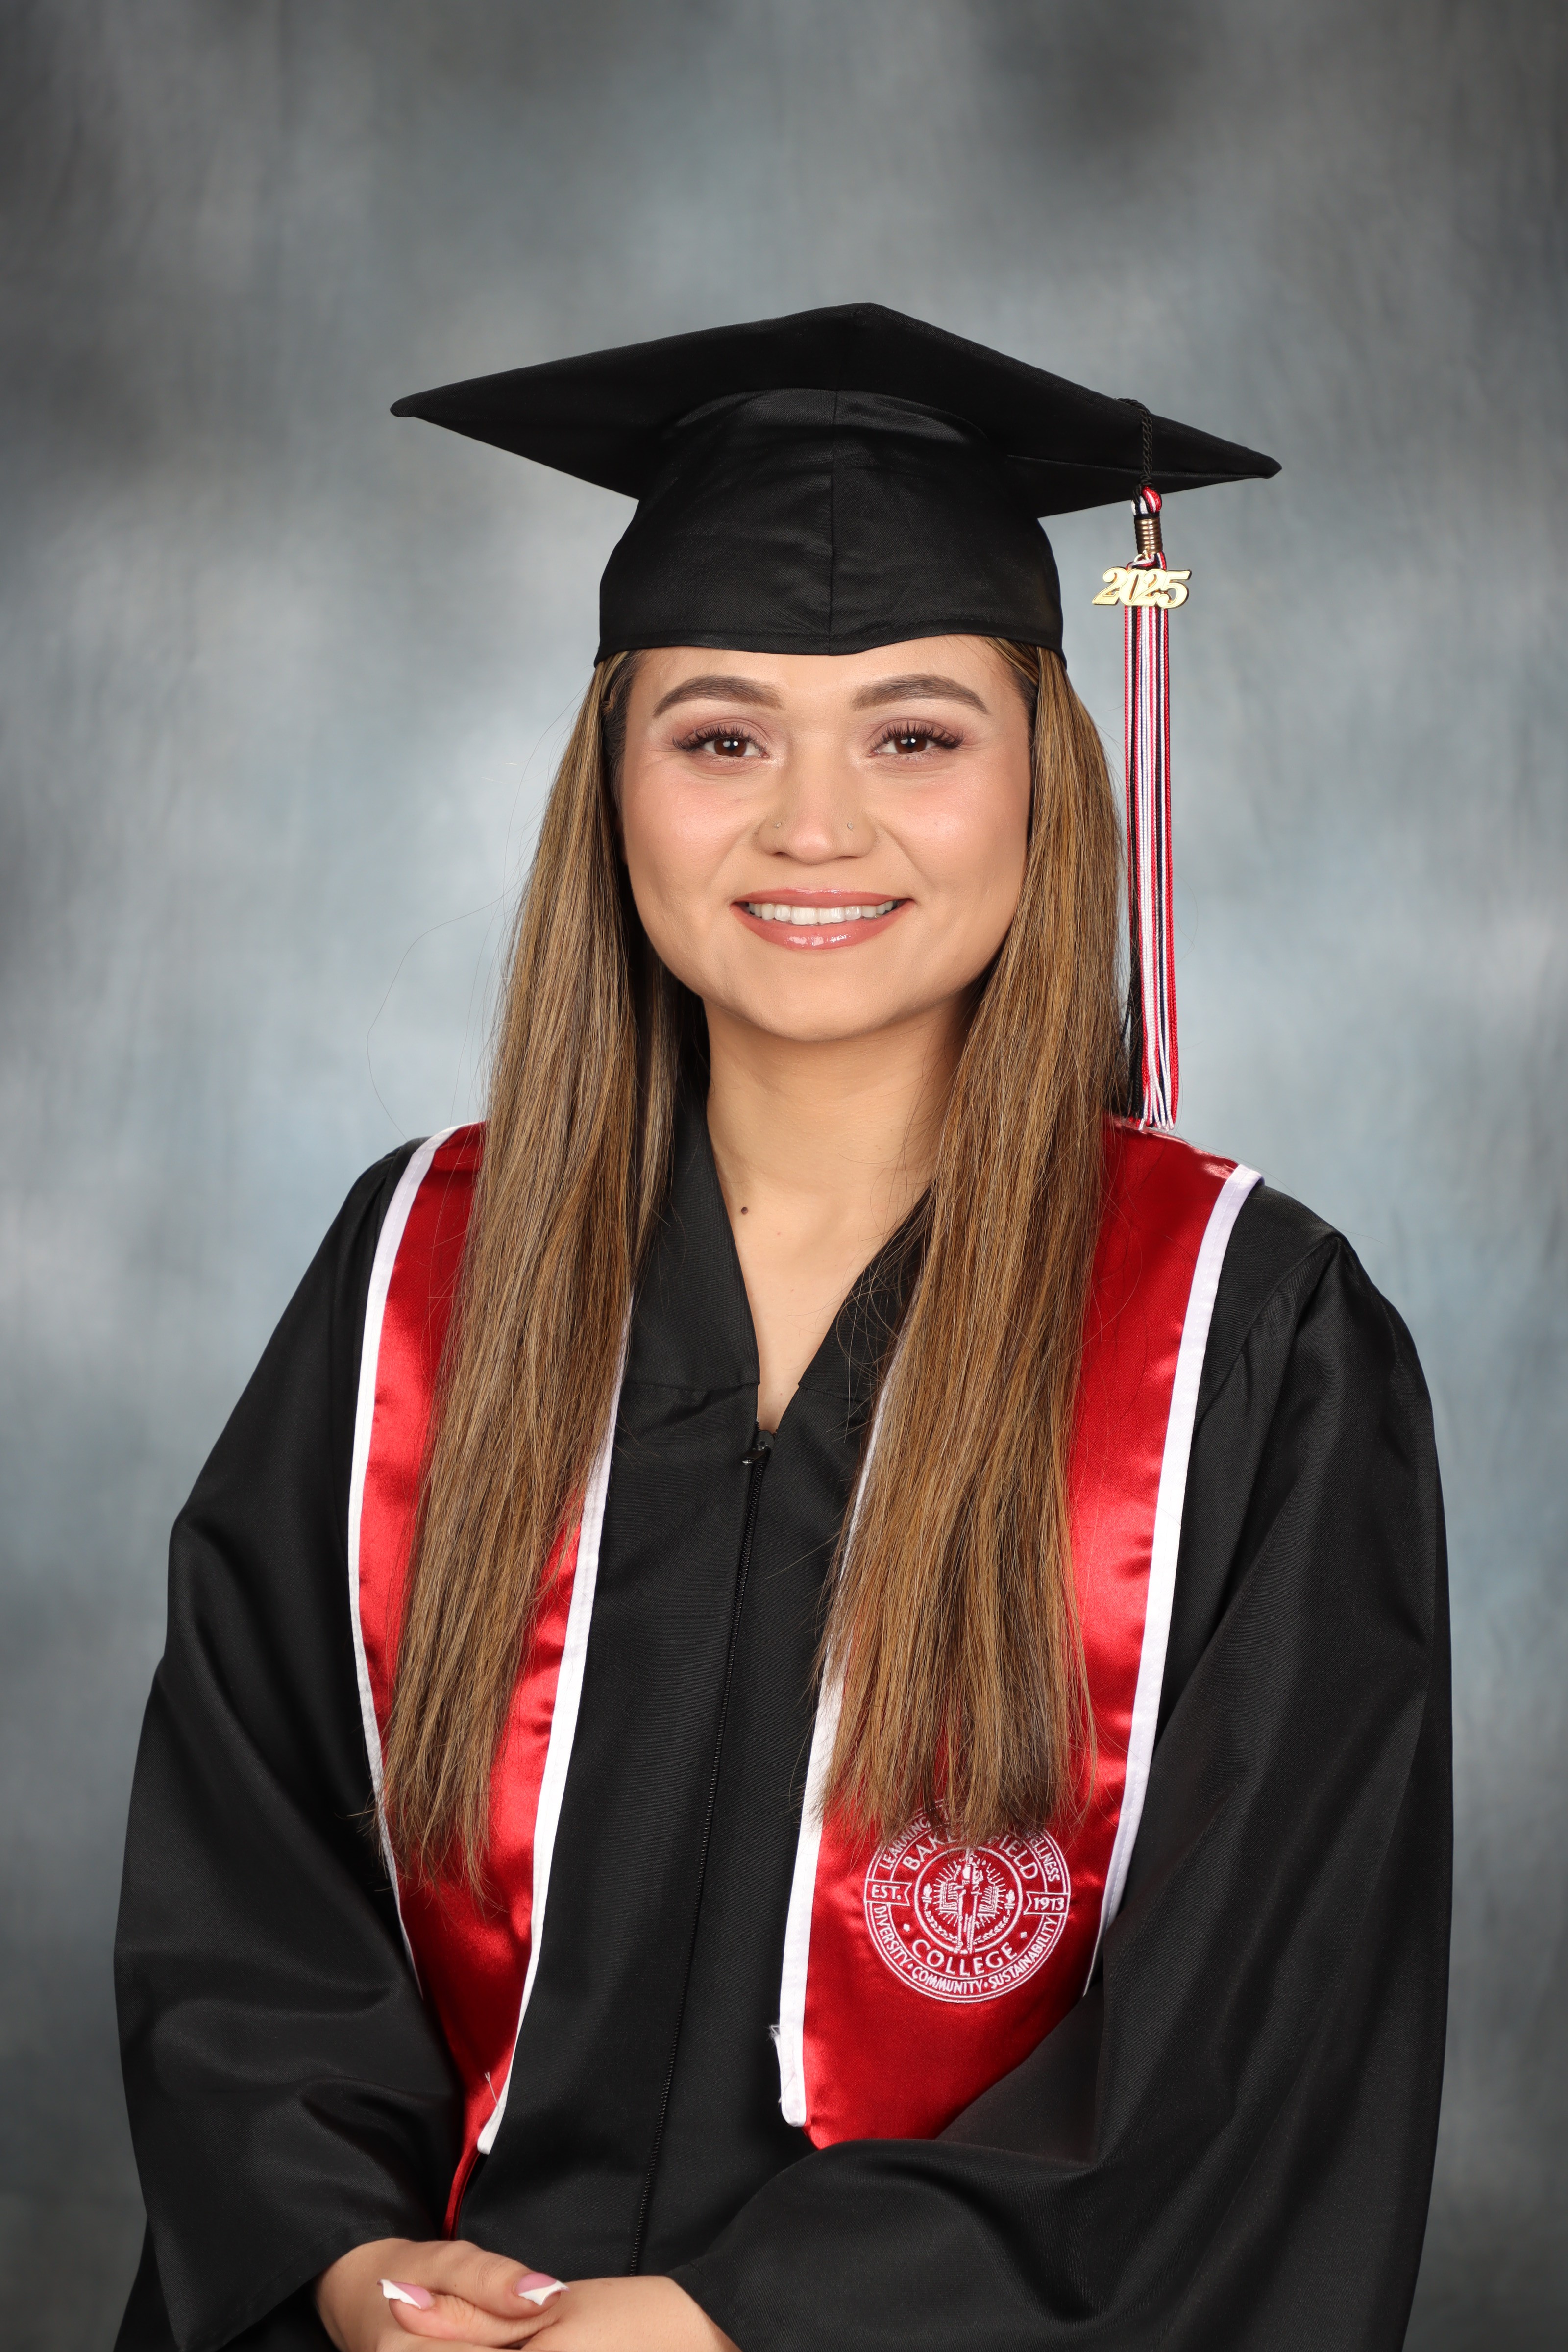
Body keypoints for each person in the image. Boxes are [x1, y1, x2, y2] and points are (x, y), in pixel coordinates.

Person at [114, 306, 1450, 2352]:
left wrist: (749, 2321)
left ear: (1045, 782)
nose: (811, 826)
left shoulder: (1245, 1344)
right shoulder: (413, 1277)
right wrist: (344, 2257)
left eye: (915, 736)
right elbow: (251, 1874)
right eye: (720, 737)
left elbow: (1266, 2040)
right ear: (612, 787)